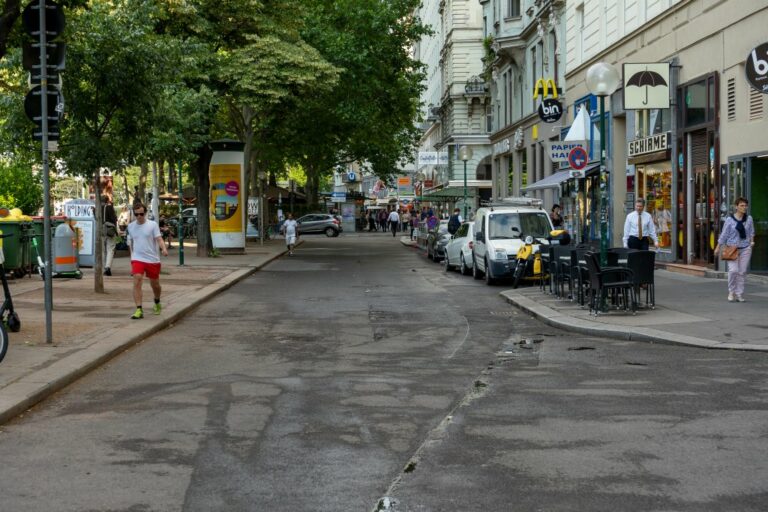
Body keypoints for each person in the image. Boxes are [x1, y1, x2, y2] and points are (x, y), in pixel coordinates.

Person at [126, 203, 168, 319]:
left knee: (155, 284)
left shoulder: (152, 225)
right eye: (136, 214)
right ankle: (139, 309)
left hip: (152, 259)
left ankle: (157, 301)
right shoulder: (131, 226)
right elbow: (131, 244)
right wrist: (132, 258)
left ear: (145, 213)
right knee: (137, 279)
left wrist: (163, 248)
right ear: (134, 214)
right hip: (137, 258)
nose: (139, 216)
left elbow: (159, 239)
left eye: (141, 214)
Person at [714, 197, 755, 302]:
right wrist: (718, 247)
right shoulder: (729, 220)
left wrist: (751, 242)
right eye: (741, 205)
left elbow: (751, 232)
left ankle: (739, 294)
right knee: (733, 271)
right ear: (736, 207)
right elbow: (724, 234)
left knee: (742, 272)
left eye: (745, 205)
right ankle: (731, 291)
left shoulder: (749, 218)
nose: (744, 207)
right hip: (732, 248)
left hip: (745, 248)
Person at [102, 195, 118, 276]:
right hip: (110, 230)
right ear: (107, 200)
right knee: (110, 248)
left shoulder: (96, 208)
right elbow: (114, 219)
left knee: (102, 249)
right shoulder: (109, 207)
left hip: (101, 230)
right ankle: (107, 267)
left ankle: (103, 266)